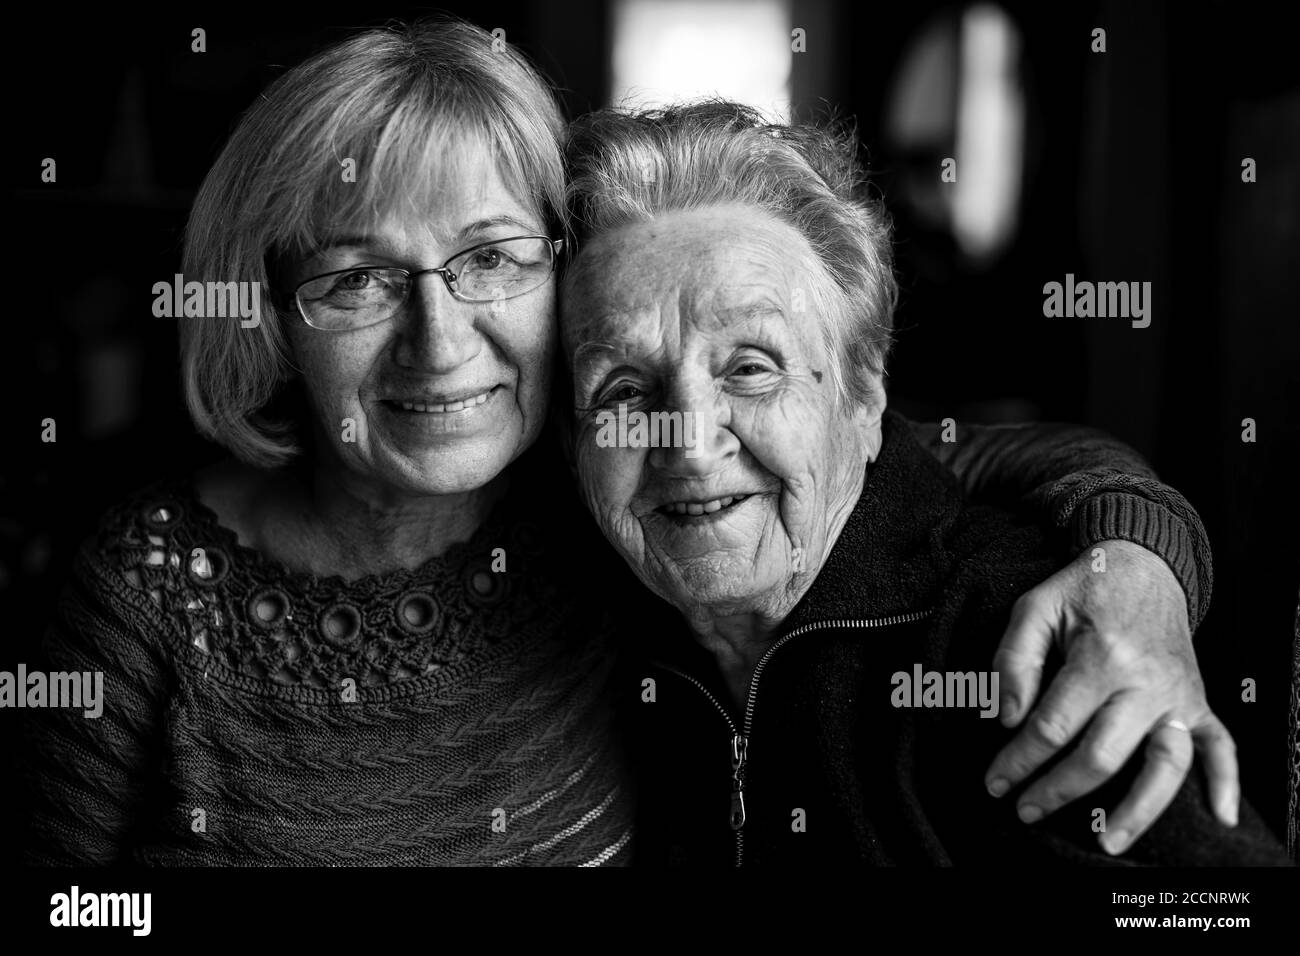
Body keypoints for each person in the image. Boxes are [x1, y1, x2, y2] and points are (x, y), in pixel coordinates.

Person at [22, 20, 1230, 866]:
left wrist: (1138, 567)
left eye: (490, 258)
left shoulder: (610, 502)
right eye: (354, 277)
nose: (440, 344)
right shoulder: (145, 595)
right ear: (274, 312)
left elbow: (940, 458)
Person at [558, 101, 1290, 866]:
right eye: (624, 391)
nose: (691, 447)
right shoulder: (582, 615)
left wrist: (1143, 556)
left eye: (750, 367)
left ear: (865, 394)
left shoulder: (1014, 646)